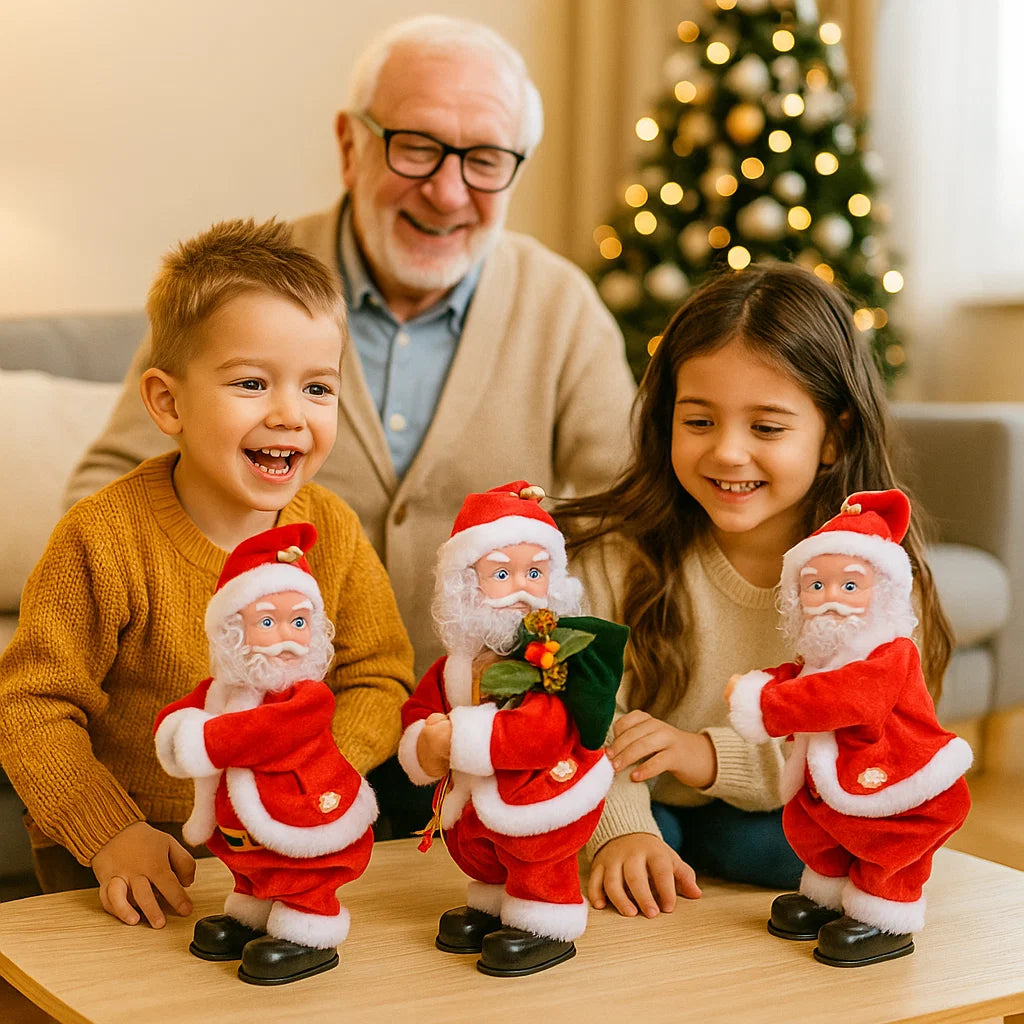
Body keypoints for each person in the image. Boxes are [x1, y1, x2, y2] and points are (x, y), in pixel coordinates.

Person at [64, 15, 636, 688]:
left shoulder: (561, 306)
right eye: (416, 147)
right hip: (263, 724)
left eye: (484, 160)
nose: (448, 193)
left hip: (481, 732)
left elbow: (621, 521)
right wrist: (213, 633)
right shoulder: (242, 285)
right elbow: (109, 485)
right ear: (349, 145)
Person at [0, 219, 413, 928]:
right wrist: (108, 835)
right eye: (251, 383)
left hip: (286, 836)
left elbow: (379, 674)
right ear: (167, 403)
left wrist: (314, 770)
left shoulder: (332, 531)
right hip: (129, 850)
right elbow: (32, 707)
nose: (289, 414)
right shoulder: (102, 539)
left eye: (318, 388)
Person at [554, 262, 954, 920]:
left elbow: (866, 738)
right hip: (637, 790)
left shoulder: (869, 575)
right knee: (599, 832)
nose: (729, 453)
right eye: (700, 422)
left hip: (785, 802)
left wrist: (706, 753)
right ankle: (661, 837)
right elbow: (583, 721)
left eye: (766, 428)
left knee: (794, 846)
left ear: (835, 437)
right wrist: (623, 827)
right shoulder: (610, 556)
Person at [726, 489, 971, 968]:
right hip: (836, 783)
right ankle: (829, 895)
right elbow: (802, 679)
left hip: (899, 785)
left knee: (887, 844)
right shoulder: (819, 656)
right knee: (816, 829)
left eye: (850, 586)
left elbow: (847, 696)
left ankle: (885, 915)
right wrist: (763, 683)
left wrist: (765, 702)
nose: (829, 599)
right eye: (815, 586)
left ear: (884, 592)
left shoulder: (890, 654)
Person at [397, 482, 627, 977]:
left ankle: (544, 920)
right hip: (482, 793)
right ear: (466, 587)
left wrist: (456, 738)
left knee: (536, 853)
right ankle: (494, 904)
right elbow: (419, 711)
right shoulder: (452, 668)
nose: (523, 588)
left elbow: (542, 731)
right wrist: (425, 745)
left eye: (536, 573)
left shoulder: (554, 660)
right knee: (482, 849)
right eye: (502, 573)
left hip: (545, 788)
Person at [156, 522, 379, 985]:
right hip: (247, 826)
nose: (286, 636)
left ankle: (307, 927)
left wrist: (204, 741)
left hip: (307, 815)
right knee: (254, 864)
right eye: (267, 622)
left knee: (302, 871)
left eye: (299, 622)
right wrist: (177, 730)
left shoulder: (308, 698)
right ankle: (254, 912)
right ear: (234, 632)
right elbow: (181, 715)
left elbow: (263, 734)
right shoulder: (218, 692)